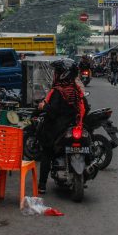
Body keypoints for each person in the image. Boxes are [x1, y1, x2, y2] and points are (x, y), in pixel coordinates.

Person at [37, 59, 87, 193]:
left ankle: (42, 185)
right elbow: (85, 107)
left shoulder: (58, 91)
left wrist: (43, 106)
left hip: (57, 130)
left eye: (57, 72)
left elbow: (52, 112)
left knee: (46, 151)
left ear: (63, 74)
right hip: (74, 126)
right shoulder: (76, 90)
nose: (55, 74)